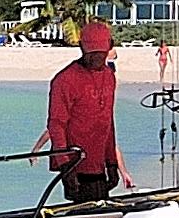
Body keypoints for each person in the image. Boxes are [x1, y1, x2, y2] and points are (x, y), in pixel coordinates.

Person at [40, 15, 127, 202]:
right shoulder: (64, 80)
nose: (97, 59)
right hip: (75, 161)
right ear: (82, 49)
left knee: (102, 207)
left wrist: (112, 162)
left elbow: (108, 122)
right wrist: (65, 166)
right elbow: (56, 124)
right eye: (92, 54)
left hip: (99, 161)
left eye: (101, 54)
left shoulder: (109, 76)